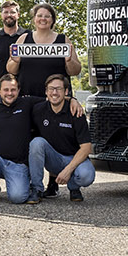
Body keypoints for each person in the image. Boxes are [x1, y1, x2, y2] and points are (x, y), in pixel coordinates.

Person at [0, 74, 84, 204]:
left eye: (13, 90)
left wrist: (72, 99)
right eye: (5, 90)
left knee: (18, 198)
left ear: (18, 90)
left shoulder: (28, 103)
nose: (9, 93)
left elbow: (53, 97)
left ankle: (25, 182)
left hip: (19, 165)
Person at [29, 74, 96, 202]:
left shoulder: (76, 111)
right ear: (46, 91)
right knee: (36, 143)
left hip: (74, 159)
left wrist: (68, 170)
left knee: (87, 176)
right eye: (51, 89)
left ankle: (74, 187)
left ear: (66, 92)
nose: (54, 93)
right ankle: (36, 189)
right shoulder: (38, 110)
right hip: (53, 159)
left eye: (58, 89)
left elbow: (86, 147)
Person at [6, 2, 81, 97]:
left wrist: (69, 61)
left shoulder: (63, 40)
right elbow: (11, 70)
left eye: (47, 16)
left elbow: (75, 71)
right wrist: (16, 61)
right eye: (39, 15)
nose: (43, 19)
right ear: (34, 19)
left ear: (53, 19)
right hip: (27, 99)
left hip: (55, 100)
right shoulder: (23, 39)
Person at [0, 0, 25, 82]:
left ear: (18, 15)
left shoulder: (28, 36)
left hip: (24, 89)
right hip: (0, 90)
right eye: (6, 12)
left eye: (12, 12)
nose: (9, 15)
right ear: (1, 15)